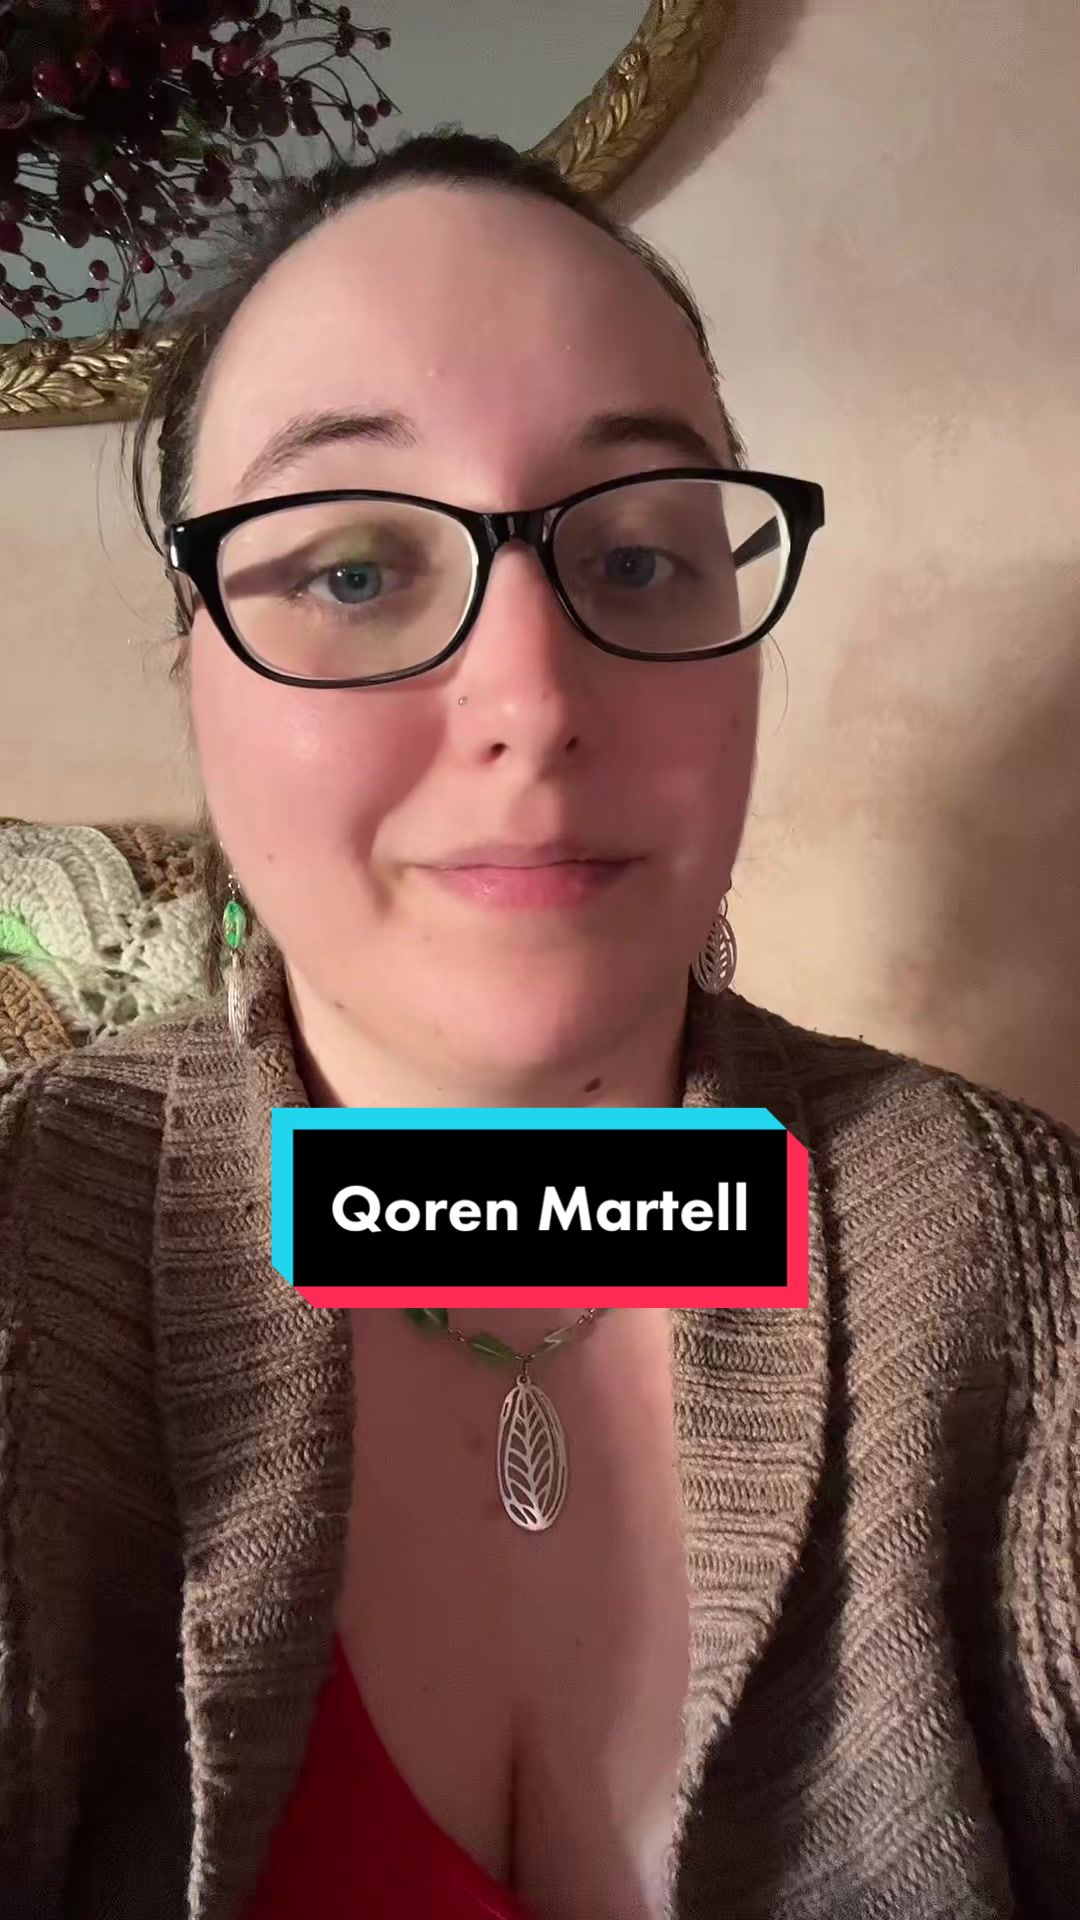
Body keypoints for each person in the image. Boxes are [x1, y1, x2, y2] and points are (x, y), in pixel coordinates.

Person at [0, 131, 1076, 1920]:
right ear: (194, 656)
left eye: (640, 557)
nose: (530, 696)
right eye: (356, 571)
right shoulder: (28, 1270)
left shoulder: (1025, 1279)